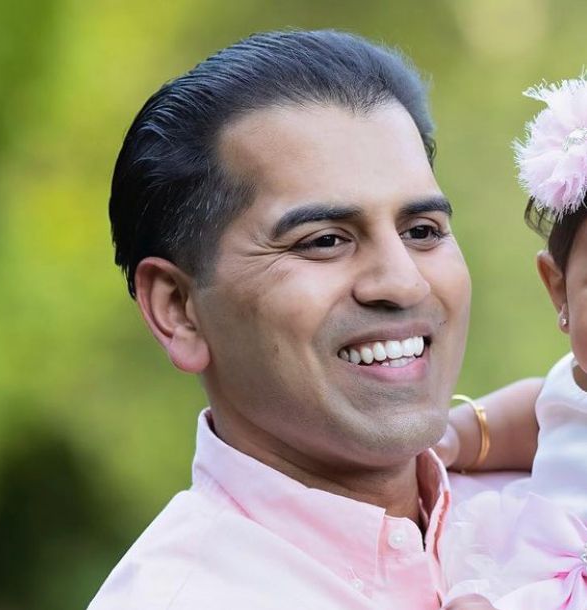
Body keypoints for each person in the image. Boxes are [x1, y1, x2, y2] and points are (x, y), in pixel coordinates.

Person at [88, 29, 514, 610]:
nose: (403, 282)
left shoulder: (547, 506)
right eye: (324, 241)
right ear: (178, 310)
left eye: (422, 231)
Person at [438, 75, 587, 609]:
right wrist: (458, 436)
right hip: (543, 579)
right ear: (559, 290)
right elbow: (542, 411)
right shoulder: (575, 383)